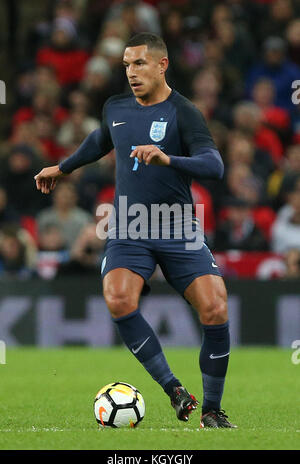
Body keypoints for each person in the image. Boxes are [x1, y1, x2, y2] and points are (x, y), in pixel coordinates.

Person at [34, 33, 236, 429]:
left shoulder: (184, 111)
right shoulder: (115, 107)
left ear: (162, 65)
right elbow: (100, 140)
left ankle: (211, 410)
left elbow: (214, 166)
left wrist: (168, 158)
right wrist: (64, 167)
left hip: (178, 227)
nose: (131, 72)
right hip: (129, 224)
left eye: (139, 63)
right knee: (118, 298)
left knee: (215, 308)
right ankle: (174, 390)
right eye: (127, 64)